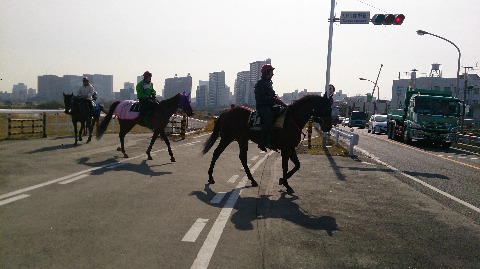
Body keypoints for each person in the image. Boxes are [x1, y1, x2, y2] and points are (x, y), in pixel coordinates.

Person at [254, 64, 277, 151]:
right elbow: (260, 97)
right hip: (263, 106)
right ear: (267, 72)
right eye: (271, 72)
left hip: (270, 105)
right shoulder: (260, 83)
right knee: (269, 120)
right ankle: (262, 142)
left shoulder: (268, 83)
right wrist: (272, 100)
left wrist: (276, 100)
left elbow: (273, 95)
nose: (273, 74)